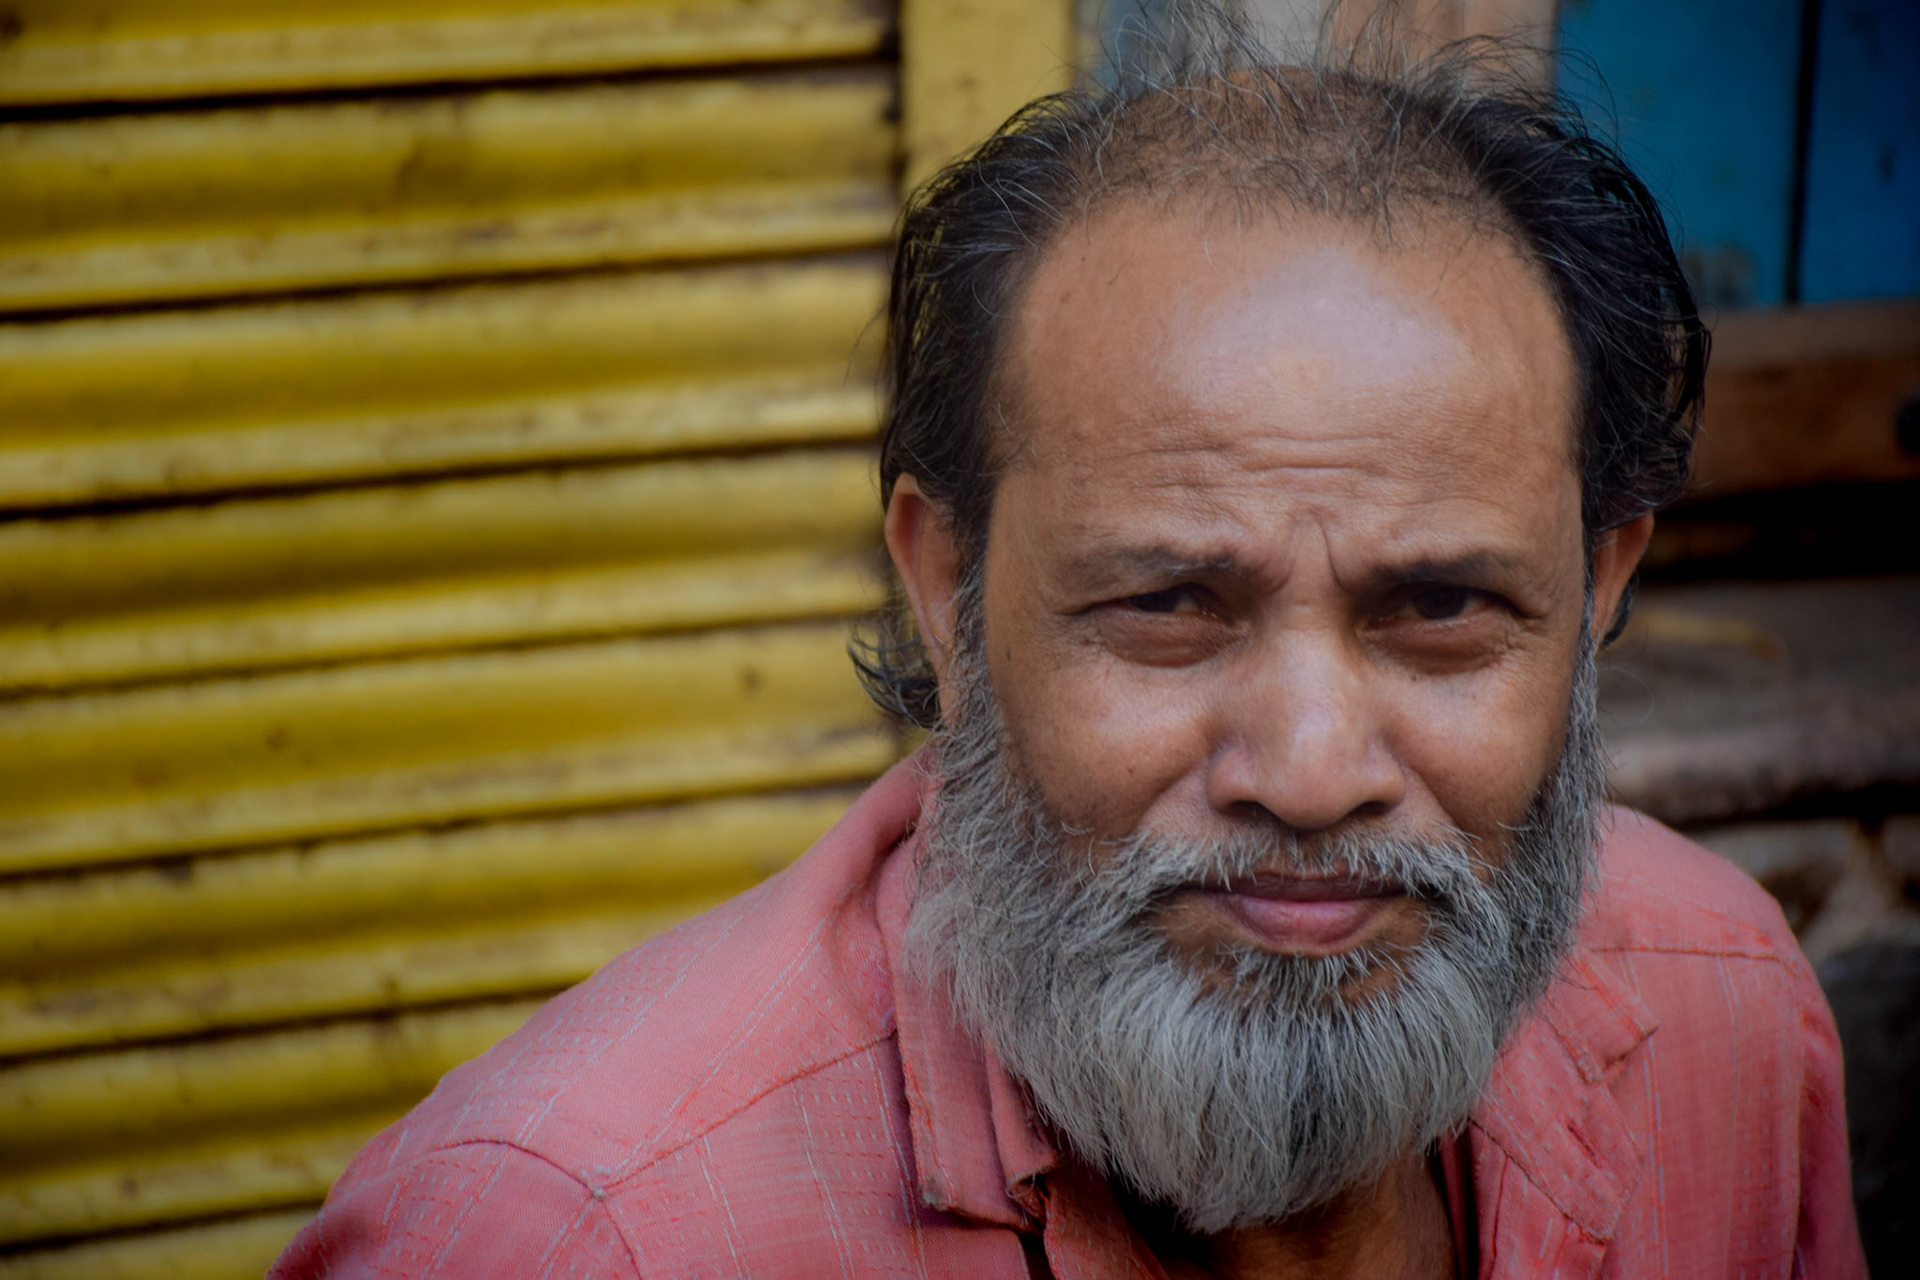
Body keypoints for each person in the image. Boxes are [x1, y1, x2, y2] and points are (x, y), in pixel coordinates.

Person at [272, 22, 1866, 1280]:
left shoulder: (1727, 1022)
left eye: (1441, 611)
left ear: (1596, 595)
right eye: (1167, 606)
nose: (1312, 771)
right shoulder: (572, 1238)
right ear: (946, 595)